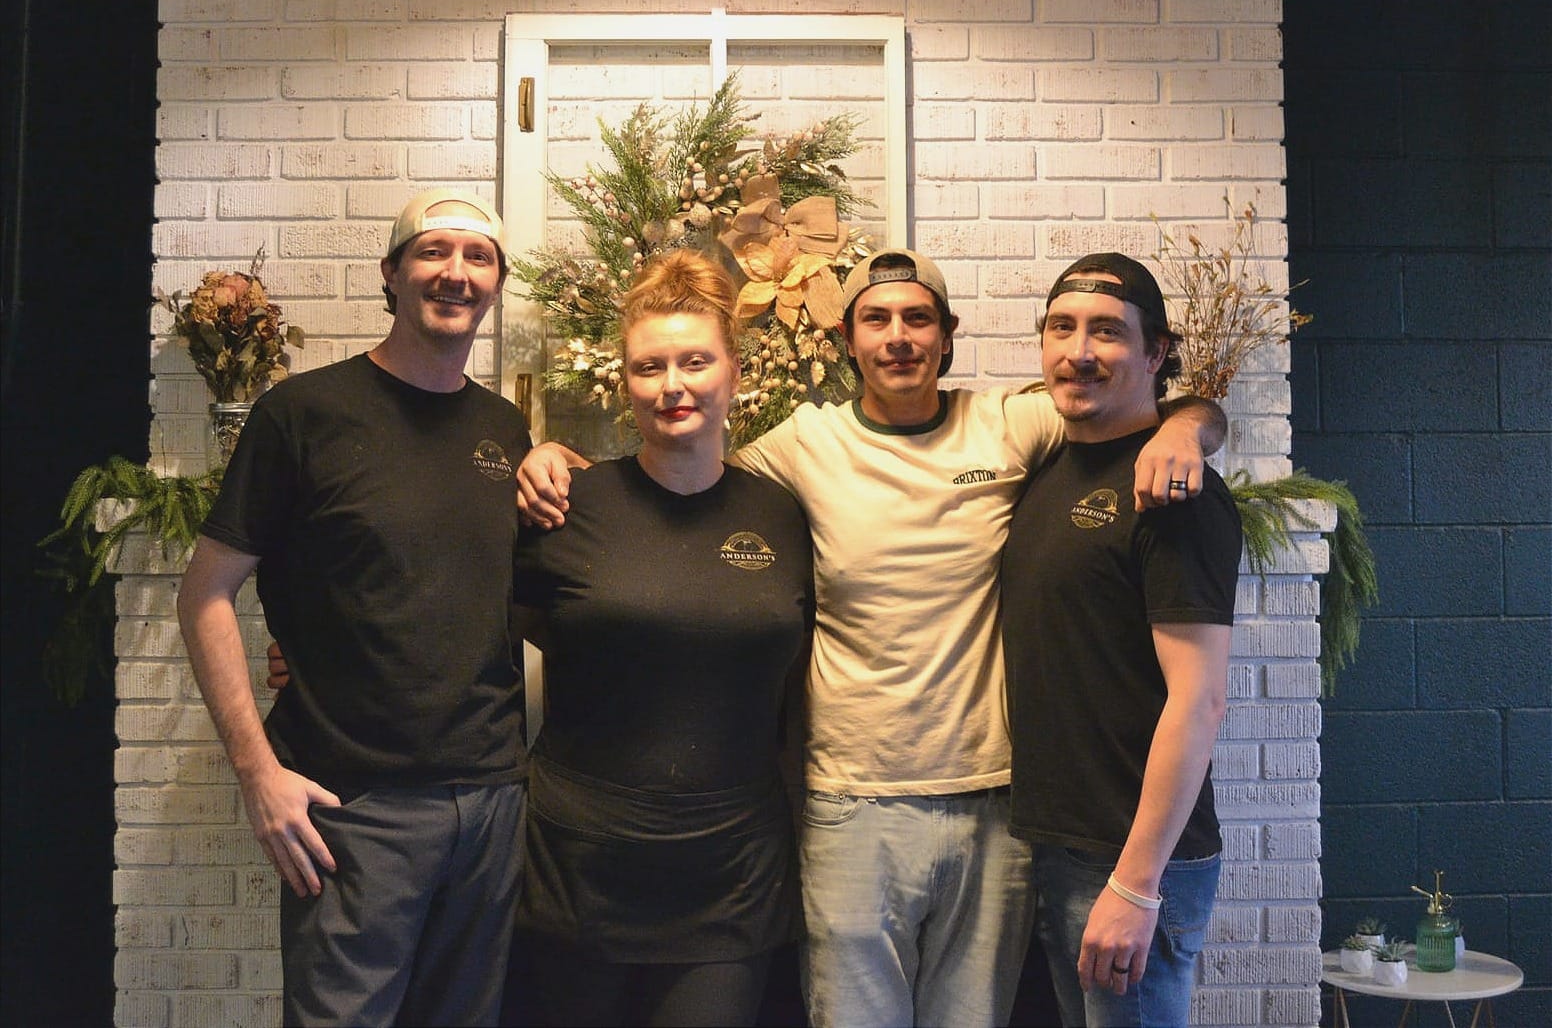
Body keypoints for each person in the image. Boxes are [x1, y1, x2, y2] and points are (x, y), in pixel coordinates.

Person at [519, 248, 1225, 1028]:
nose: (897, 337)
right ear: (846, 341)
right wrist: (560, 463)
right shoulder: (801, 445)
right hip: (849, 804)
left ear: (947, 335)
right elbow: (682, 466)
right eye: (876, 319)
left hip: (992, 805)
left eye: (917, 318)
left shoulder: (1011, 422)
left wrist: (1188, 427)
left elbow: (1126, 403)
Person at [177, 189, 531, 1026]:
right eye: (433, 252)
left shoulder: (505, 429)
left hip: (492, 802)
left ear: (496, 283)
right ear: (392, 274)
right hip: (353, 808)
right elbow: (205, 595)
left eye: (478, 257)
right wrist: (258, 774)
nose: (456, 273)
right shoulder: (303, 414)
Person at [507, 249, 814, 1027]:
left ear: (734, 372)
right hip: (578, 870)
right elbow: (460, 634)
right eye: (649, 367)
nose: (672, 385)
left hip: (732, 879)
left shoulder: (783, 516)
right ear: (626, 383)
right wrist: (317, 666)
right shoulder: (567, 507)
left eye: (694, 361)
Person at [1001, 253, 1241, 1027]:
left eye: (1107, 331)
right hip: (1063, 848)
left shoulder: (1175, 493)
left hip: (1130, 861)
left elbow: (1199, 700)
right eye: (1062, 328)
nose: (1079, 352)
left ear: (1155, 352)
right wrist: (1194, 419)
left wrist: (1136, 885)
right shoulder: (1052, 469)